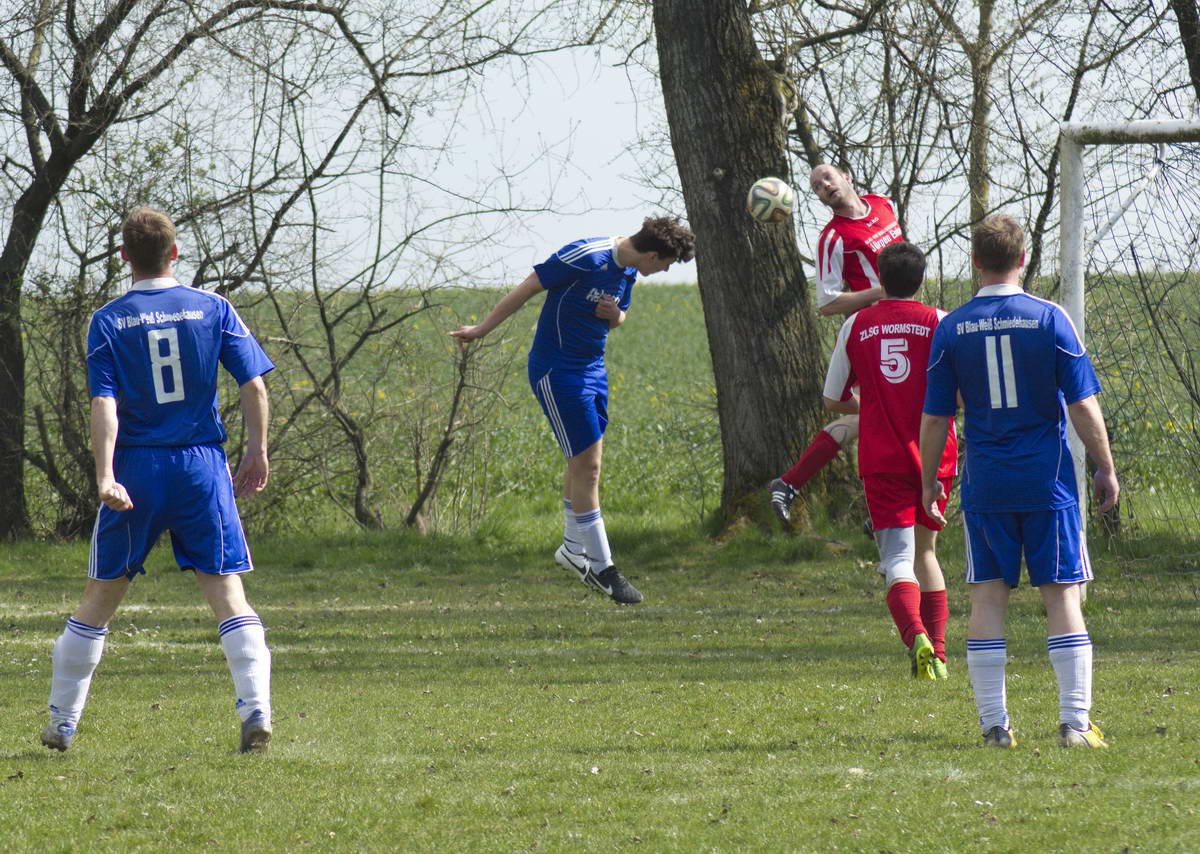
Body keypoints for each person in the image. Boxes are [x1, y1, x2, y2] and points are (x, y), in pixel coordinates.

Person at [41, 207, 276, 754]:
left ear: (123, 257)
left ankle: (62, 722)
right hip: (200, 466)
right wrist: (257, 452)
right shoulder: (213, 308)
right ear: (175, 252)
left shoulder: (108, 319)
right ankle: (256, 710)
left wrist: (104, 476)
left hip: (138, 468)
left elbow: (105, 402)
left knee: (99, 598)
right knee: (226, 591)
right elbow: (254, 386)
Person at [919, 214, 1119, 749]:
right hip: (1046, 482)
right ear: (1023, 258)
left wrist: (928, 482)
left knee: (987, 599)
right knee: (1062, 596)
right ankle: (1075, 724)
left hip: (986, 482)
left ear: (976, 261)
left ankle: (994, 727)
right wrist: (1104, 465)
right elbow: (1082, 404)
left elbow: (937, 418)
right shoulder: (1050, 318)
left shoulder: (952, 327)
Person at [449, 217, 695, 605]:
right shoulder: (586, 256)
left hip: (593, 370)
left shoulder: (628, 269)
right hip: (558, 370)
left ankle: (570, 548)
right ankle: (602, 567)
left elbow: (621, 316)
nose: (660, 272)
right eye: (663, 265)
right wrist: (483, 329)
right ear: (652, 254)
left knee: (582, 462)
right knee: (589, 466)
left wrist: (614, 316)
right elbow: (531, 284)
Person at [822, 242, 957, 679]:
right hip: (935, 457)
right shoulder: (939, 322)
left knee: (897, 558)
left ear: (881, 279)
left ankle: (914, 635)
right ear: (921, 280)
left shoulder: (858, 324)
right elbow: (960, 393)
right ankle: (938, 651)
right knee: (928, 553)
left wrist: (875, 404)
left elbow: (833, 398)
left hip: (882, 456)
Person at [769, 164, 904, 523]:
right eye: (816, 186)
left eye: (827, 178)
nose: (824, 186)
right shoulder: (834, 237)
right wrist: (883, 291)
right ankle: (884, 509)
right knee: (903, 411)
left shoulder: (882, 204)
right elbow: (827, 303)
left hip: (905, 322)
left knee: (874, 416)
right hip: (873, 333)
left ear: (845, 175)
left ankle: (791, 483)